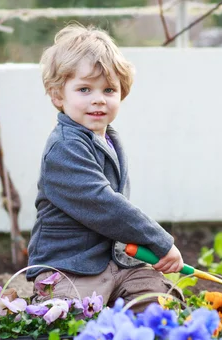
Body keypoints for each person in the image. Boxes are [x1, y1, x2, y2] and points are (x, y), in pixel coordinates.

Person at [25, 23, 184, 312]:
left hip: (115, 263)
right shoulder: (64, 148)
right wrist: (161, 242)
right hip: (70, 265)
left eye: (109, 89)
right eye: (84, 89)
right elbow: (104, 205)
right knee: (70, 320)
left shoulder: (107, 137)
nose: (98, 98)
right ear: (58, 96)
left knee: (159, 304)